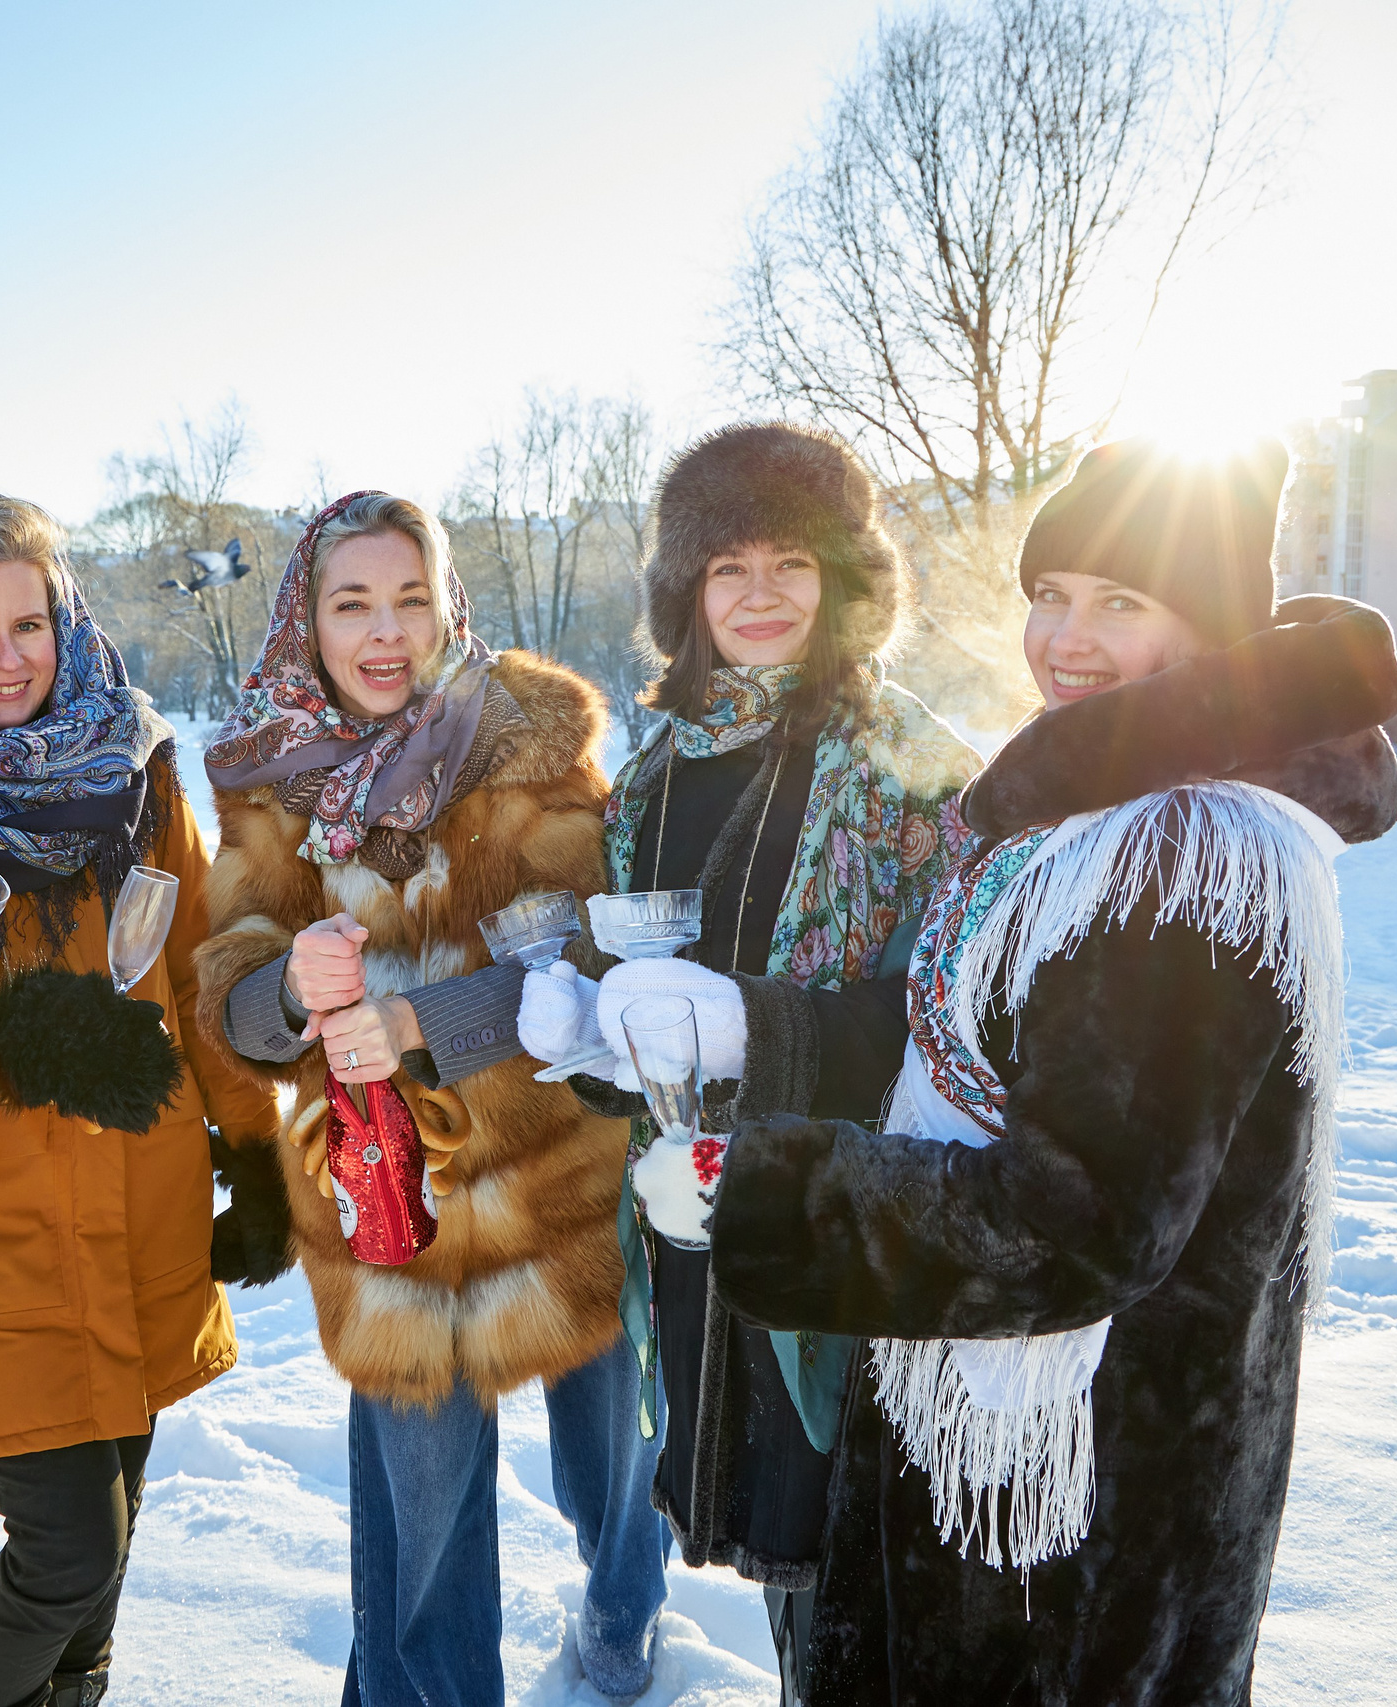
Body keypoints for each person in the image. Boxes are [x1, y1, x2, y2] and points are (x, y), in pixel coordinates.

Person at [688, 438, 1397, 1704]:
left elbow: (1077, 1226)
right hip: (1000, 1460)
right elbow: (961, 1048)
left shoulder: (1182, 859)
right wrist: (739, 1029)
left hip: (1076, 1512)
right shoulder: (1082, 813)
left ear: (1206, 629)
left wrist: (767, 1192)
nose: (1065, 637)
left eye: (1121, 603)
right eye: (1049, 593)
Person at [513, 422, 980, 1705]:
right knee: (790, 1563)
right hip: (694, 1217)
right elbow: (641, 996)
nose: (760, 595)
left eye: (789, 562)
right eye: (727, 568)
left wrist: (763, 1032)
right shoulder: (663, 765)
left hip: (860, 1218)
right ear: (687, 594)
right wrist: (588, 1035)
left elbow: (966, 1012)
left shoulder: (912, 759)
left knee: (865, 1562)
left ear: (843, 578)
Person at [190, 492, 666, 1706]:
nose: (385, 631)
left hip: (556, 1178)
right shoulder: (269, 786)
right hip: (384, 1205)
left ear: (446, 602)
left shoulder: (529, 753)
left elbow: (587, 960)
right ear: (309, 619)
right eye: (352, 603)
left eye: (410, 597)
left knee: (612, 1468)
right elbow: (229, 998)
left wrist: (424, 1025)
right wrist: (286, 993)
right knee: (420, 1534)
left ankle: (623, 1609)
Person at [0, 491, 282, 1707]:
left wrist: (254, 1151)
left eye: (24, 623)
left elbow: (197, 970)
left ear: (63, 621)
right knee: (62, 1556)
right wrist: (26, 1049)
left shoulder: (135, 771)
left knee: (111, 1552)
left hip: (142, 1210)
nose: (3, 657)